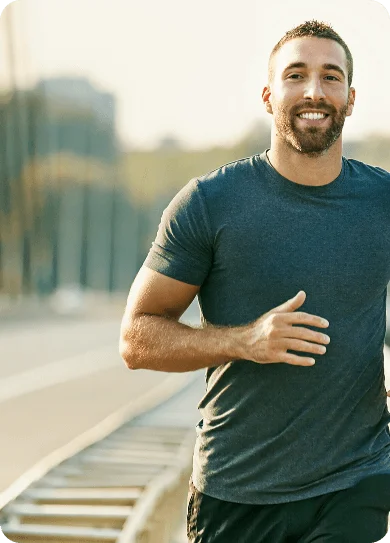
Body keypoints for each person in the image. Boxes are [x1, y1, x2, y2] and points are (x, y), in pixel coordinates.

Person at [119, 20, 390, 543]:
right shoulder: (208, 204)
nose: (314, 91)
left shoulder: (382, 202)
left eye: (331, 77)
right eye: (296, 75)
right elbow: (135, 338)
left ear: (351, 99)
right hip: (237, 490)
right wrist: (244, 341)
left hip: (355, 480)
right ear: (269, 95)